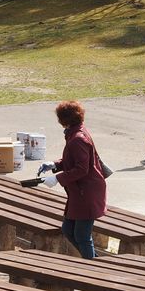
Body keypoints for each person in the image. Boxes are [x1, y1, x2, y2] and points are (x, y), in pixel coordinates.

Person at [40, 100, 107, 259]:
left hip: (86, 192)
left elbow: (82, 169)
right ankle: (94, 260)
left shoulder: (77, 138)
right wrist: (55, 165)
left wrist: (57, 178)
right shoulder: (76, 132)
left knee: (82, 236)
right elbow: (74, 161)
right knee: (68, 230)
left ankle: (92, 267)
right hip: (79, 192)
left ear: (63, 119)